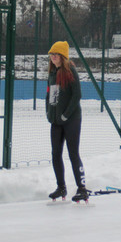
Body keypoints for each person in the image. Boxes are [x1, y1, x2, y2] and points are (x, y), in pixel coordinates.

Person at [45, 41, 88, 202]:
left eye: (56, 54)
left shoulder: (70, 71)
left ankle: (82, 188)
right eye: (51, 54)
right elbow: (49, 95)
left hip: (72, 120)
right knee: (56, 153)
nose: (53, 57)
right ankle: (61, 187)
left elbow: (77, 95)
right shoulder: (52, 73)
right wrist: (49, 113)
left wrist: (66, 115)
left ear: (63, 56)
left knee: (73, 153)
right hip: (56, 121)